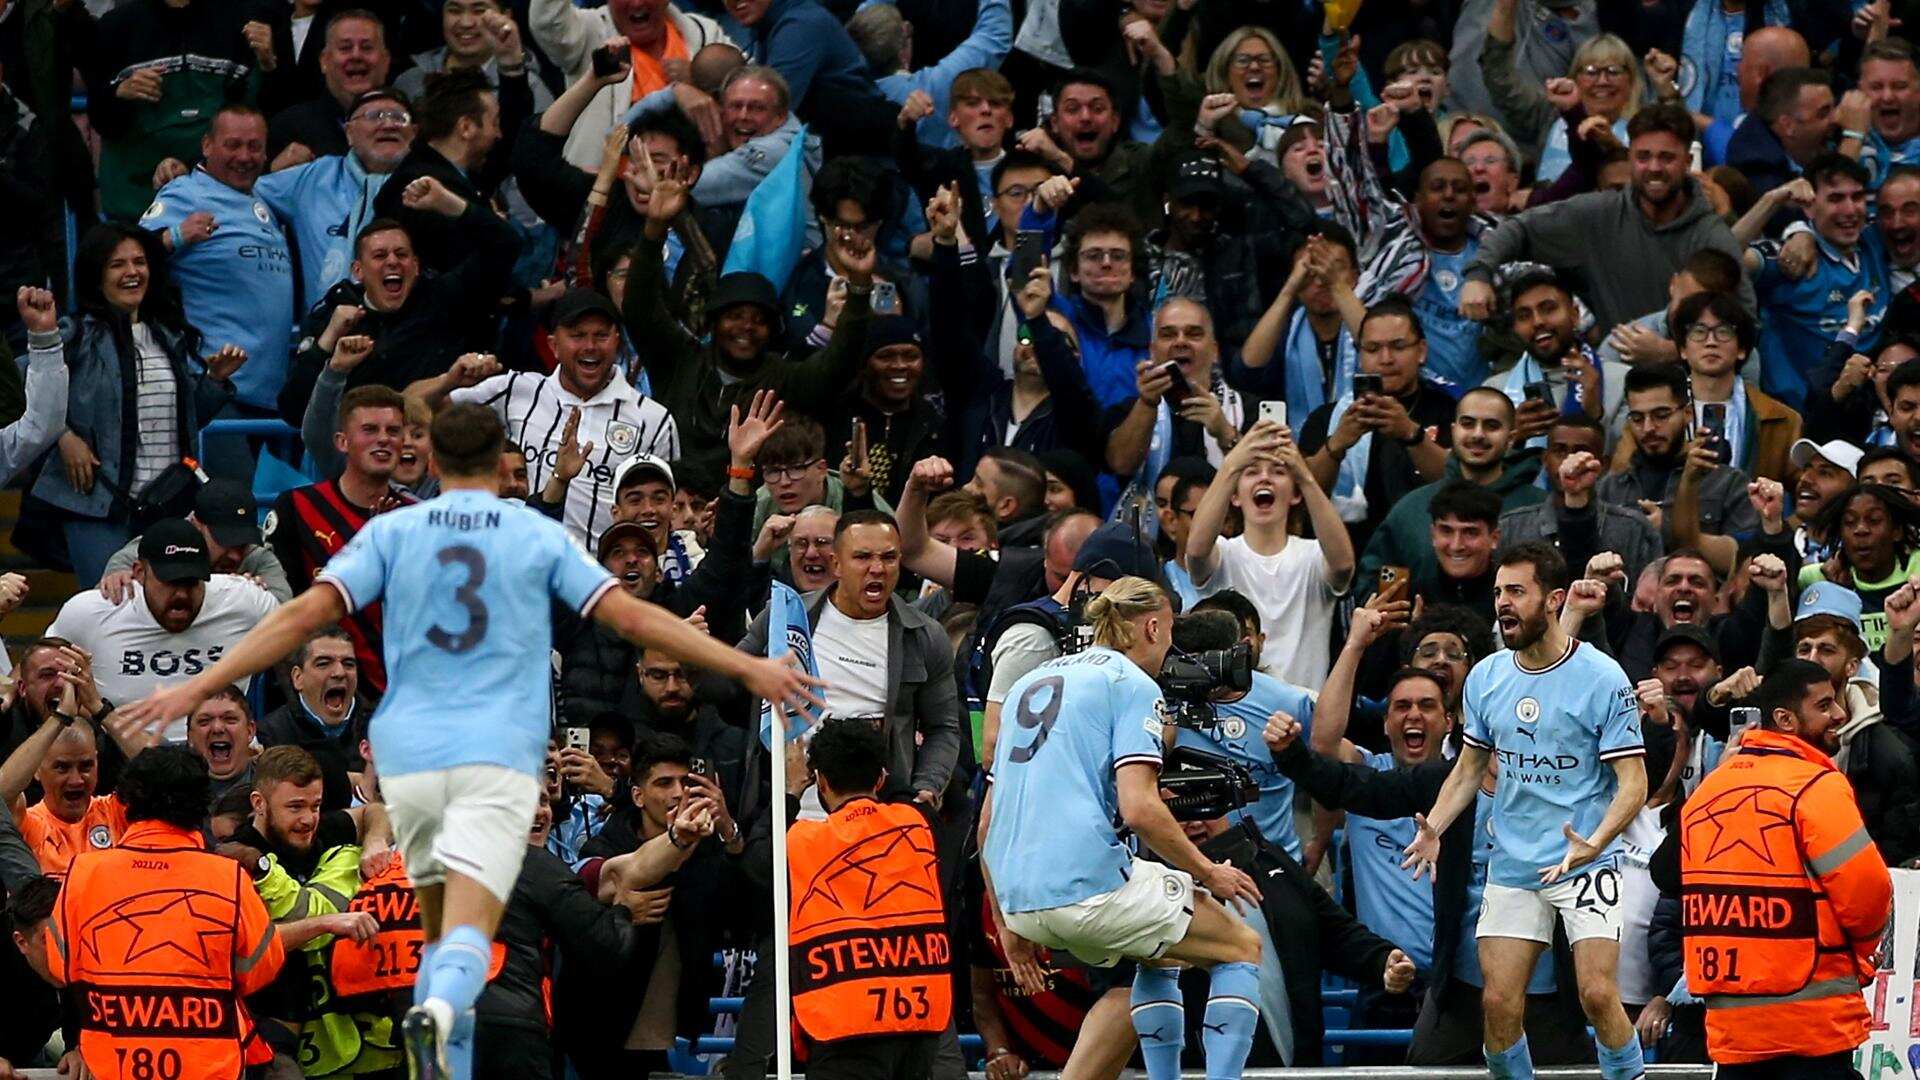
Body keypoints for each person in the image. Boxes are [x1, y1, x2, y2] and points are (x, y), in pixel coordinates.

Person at [119, 403, 822, 1080]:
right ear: (497, 464)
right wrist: (747, 665)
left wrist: (194, 685)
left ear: (427, 458)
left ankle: (436, 1011)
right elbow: (632, 619)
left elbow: (303, 613)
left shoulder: (393, 531)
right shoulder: (531, 534)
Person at [981, 576, 1263, 1080]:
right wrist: (1208, 871)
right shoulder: (1133, 685)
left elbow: (987, 823)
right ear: (1152, 626)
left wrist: (1006, 925)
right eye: (1171, 633)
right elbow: (1140, 809)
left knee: (1159, 955)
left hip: (1021, 902)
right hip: (1087, 890)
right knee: (1241, 946)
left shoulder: (1029, 682)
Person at [1403, 542, 1649, 1080]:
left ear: (1555, 599)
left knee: (1598, 994)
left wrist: (1597, 841)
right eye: (1498, 592)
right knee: (1498, 1005)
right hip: (1513, 863)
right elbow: (1469, 769)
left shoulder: (1603, 678)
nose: (1502, 604)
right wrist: (1435, 829)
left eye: (1516, 591)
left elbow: (1634, 782)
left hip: (1583, 860)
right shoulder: (1487, 678)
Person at [1680, 658, 1893, 1078]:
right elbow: (1869, 891)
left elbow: (1676, 884)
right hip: (1812, 1032)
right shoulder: (1815, 785)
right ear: (1785, 719)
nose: (1840, 715)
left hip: (1733, 1037)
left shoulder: (1707, 791)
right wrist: (1861, 956)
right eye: (1825, 705)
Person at [38, 747, 291, 1080]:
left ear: (126, 804)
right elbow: (261, 968)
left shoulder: (83, 873)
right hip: (208, 1069)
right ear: (201, 805)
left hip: (111, 1067)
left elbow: (60, 966)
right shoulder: (229, 878)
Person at [27, 223, 243, 587]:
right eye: (117, 264)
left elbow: (185, 422)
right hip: (96, 505)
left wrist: (214, 382)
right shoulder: (75, 332)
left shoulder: (169, 335)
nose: (132, 272)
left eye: (139, 262)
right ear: (97, 275)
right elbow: (25, 392)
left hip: (168, 504)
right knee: (110, 610)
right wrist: (63, 437)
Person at [1461, 103, 1750, 333]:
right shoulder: (1597, 215)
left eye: (1666, 157)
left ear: (1687, 162)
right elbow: (1518, 229)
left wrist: (1673, 353)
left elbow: (1748, 324)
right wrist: (1479, 275)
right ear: (1630, 158)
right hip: (1616, 380)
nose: (1653, 167)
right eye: (1643, 156)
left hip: (1690, 382)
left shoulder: (1712, 236)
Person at [427, 288, 679, 549]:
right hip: (521, 561)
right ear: (553, 345)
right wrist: (448, 382)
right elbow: (417, 409)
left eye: (601, 335)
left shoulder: (655, 421)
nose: (590, 346)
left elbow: (670, 509)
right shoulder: (516, 389)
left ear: (616, 341)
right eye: (578, 335)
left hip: (601, 577)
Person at [781, 717, 952, 1076]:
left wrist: (790, 792)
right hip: (919, 1020)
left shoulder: (800, 840)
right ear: (880, 778)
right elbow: (905, 793)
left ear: (820, 782)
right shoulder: (920, 825)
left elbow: (754, 861)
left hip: (844, 1022)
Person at [47, 518, 279, 744]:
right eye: (170, 582)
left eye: (191, 582)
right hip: (118, 755)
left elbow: (301, 641)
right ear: (139, 572)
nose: (181, 595)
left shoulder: (244, 601)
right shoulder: (91, 611)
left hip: (223, 755)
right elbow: (37, 669)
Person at [139, 105, 295, 425]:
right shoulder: (185, 192)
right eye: (233, 144)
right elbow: (125, 258)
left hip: (267, 395)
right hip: (214, 390)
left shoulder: (262, 201)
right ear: (207, 146)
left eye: (254, 147)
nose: (244, 156)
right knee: (231, 478)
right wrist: (176, 236)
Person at [268, 384, 417, 695]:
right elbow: (284, 605)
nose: (383, 439)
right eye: (369, 430)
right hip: (323, 692)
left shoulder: (420, 518)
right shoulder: (299, 507)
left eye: (393, 430)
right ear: (341, 441)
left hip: (404, 691)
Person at [1187, 419, 1355, 688]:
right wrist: (1232, 464)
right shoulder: (1224, 555)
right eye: (1251, 472)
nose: (1264, 478)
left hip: (1303, 711)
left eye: (1278, 471)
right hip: (1238, 711)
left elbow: (1344, 565)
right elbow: (1195, 552)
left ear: (1295, 494)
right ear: (1235, 496)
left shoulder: (1313, 555)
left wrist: (1305, 474)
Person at [254, 87, 415, 313]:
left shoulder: (433, 183)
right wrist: (270, 169)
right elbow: (240, 190)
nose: (388, 124)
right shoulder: (313, 178)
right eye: (373, 116)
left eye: (399, 117)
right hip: (328, 332)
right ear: (349, 133)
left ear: (414, 133)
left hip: (413, 331)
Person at [98, 479, 293, 603]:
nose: (235, 555)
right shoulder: (162, 543)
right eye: (225, 540)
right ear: (195, 525)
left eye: (242, 543)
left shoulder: (258, 555)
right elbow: (107, 592)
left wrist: (255, 598)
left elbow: (284, 613)